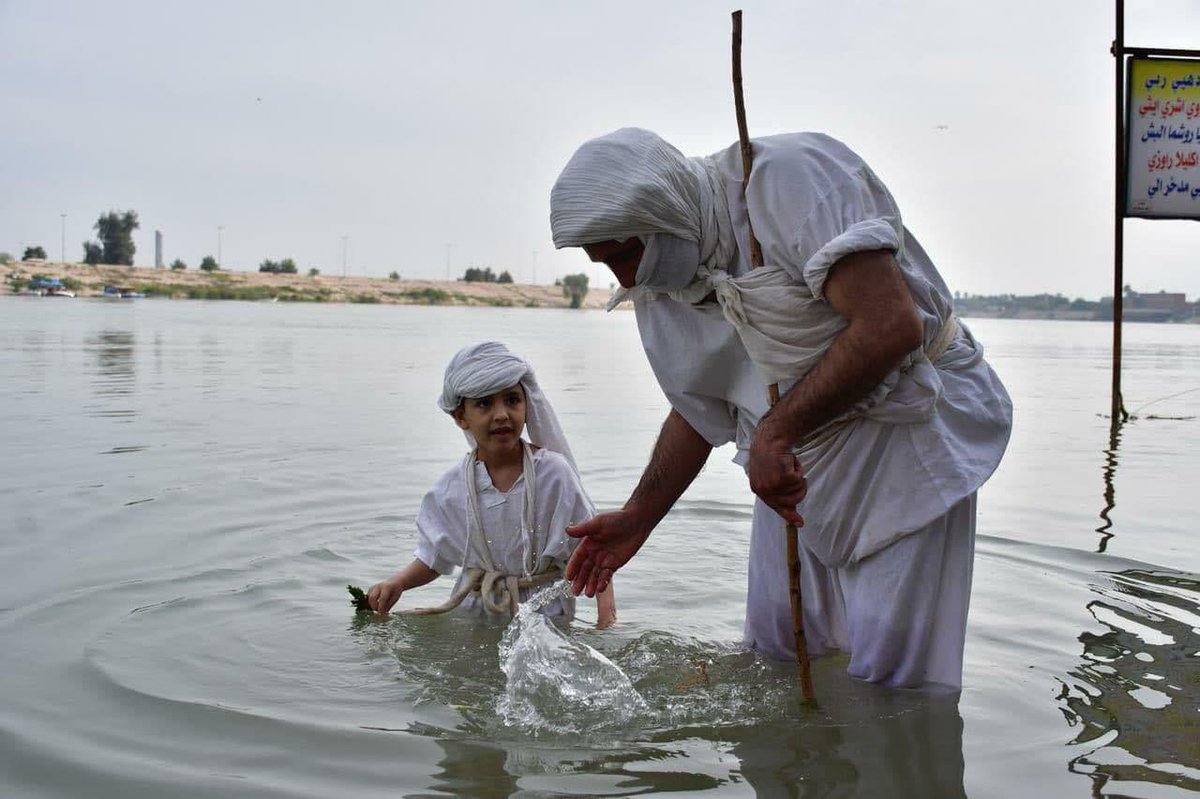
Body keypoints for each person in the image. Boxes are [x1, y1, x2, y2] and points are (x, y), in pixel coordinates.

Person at [549, 128, 1011, 688]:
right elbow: (700, 410)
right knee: (774, 659)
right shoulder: (658, 286)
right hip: (789, 466)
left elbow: (889, 325)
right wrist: (638, 518)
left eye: (626, 255)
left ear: (664, 216)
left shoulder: (788, 180)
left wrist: (775, 435)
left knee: (893, 686)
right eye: (605, 263)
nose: (623, 278)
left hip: (903, 436)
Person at [367, 341, 616, 628]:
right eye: (484, 404)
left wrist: (606, 617)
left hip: (545, 613)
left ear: (527, 405)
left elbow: (590, 549)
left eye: (512, 400)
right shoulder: (452, 488)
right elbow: (435, 556)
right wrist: (397, 583)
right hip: (476, 610)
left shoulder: (554, 474)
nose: (501, 414)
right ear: (461, 417)